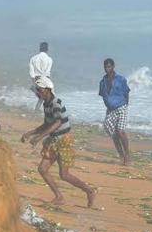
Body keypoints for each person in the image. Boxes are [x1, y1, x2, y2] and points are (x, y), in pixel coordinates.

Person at [21, 77, 97, 207]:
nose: (37, 93)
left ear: (47, 90)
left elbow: (57, 123)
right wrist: (31, 133)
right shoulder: (46, 104)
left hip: (63, 141)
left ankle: (89, 191)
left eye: (39, 90)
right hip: (53, 140)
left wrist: (39, 138)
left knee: (64, 175)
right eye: (37, 91)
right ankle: (59, 196)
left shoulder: (56, 103)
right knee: (42, 169)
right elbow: (47, 124)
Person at [98, 58, 131, 166]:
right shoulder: (102, 82)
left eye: (109, 66)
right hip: (110, 109)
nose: (107, 69)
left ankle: (127, 155)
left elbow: (126, 93)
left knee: (121, 131)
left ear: (113, 67)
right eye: (105, 67)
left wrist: (125, 104)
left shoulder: (121, 79)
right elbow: (103, 96)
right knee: (114, 134)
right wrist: (108, 106)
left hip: (121, 106)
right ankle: (121, 155)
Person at [29, 41, 52, 110]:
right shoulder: (49, 59)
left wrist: (34, 83)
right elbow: (47, 73)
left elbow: (31, 73)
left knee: (42, 98)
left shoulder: (33, 58)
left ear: (40, 49)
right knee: (47, 98)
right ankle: (40, 112)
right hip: (44, 80)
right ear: (47, 49)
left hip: (36, 79)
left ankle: (36, 111)